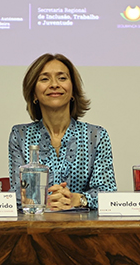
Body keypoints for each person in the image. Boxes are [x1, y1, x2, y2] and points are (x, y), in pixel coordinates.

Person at [8, 53, 117, 210]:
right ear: (34, 93)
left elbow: (108, 193)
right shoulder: (20, 135)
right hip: (36, 223)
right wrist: (48, 201)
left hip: (84, 224)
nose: (54, 84)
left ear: (72, 91)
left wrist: (78, 199)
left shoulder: (96, 136)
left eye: (62, 78)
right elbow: (17, 195)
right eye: (44, 79)